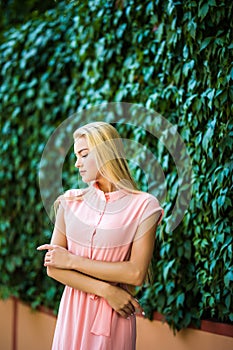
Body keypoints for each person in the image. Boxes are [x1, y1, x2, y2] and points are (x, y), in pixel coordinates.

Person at [37, 121, 163, 350]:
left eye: (83, 155)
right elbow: (54, 267)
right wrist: (107, 290)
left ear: (106, 153)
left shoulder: (144, 205)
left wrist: (72, 261)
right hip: (72, 317)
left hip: (113, 320)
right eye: (76, 155)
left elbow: (135, 273)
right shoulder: (69, 202)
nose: (76, 163)